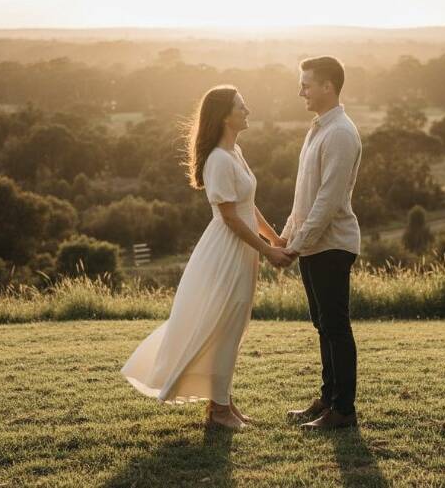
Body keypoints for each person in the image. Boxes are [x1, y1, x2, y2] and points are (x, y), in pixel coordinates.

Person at [120, 85, 293, 430]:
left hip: (244, 250)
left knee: (233, 326)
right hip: (226, 251)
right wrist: (268, 250)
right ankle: (219, 411)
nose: (248, 111)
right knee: (222, 325)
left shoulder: (235, 152)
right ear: (224, 115)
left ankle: (223, 403)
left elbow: (247, 206)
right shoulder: (217, 159)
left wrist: (274, 237)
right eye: (241, 107)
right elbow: (229, 217)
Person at [281, 56, 363, 431]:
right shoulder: (318, 129)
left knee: (335, 325)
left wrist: (296, 245)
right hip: (313, 243)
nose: (301, 91)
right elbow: (305, 195)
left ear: (328, 85)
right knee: (322, 324)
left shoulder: (341, 133)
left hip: (331, 244)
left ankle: (343, 410)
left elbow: (328, 201)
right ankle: (328, 398)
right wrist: (287, 235)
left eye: (307, 84)